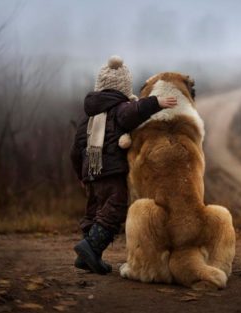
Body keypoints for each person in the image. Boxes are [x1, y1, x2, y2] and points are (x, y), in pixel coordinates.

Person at [70, 55, 177, 274]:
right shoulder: (120, 108)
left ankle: (88, 256)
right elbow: (134, 112)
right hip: (111, 172)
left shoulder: (87, 119)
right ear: (123, 87)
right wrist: (157, 102)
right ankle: (91, 247)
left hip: (91, 172)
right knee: (115, 209)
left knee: (94, 211)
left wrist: (81, 175)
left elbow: (75, 150)